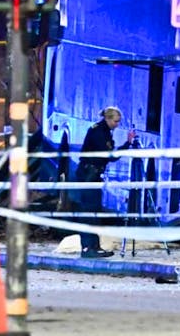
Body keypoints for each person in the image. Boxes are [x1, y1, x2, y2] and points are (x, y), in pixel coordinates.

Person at [76, 106, 136, 258]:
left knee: (94, 211)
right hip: (89, 174)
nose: (117, 124)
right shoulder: (99, 132)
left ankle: (94, 246)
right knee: (89, 211)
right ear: (108, 119)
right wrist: (127, 144)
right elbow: (110, 155)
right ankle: (88, 248)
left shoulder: (103, 131)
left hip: (93, 174)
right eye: (116, 121)